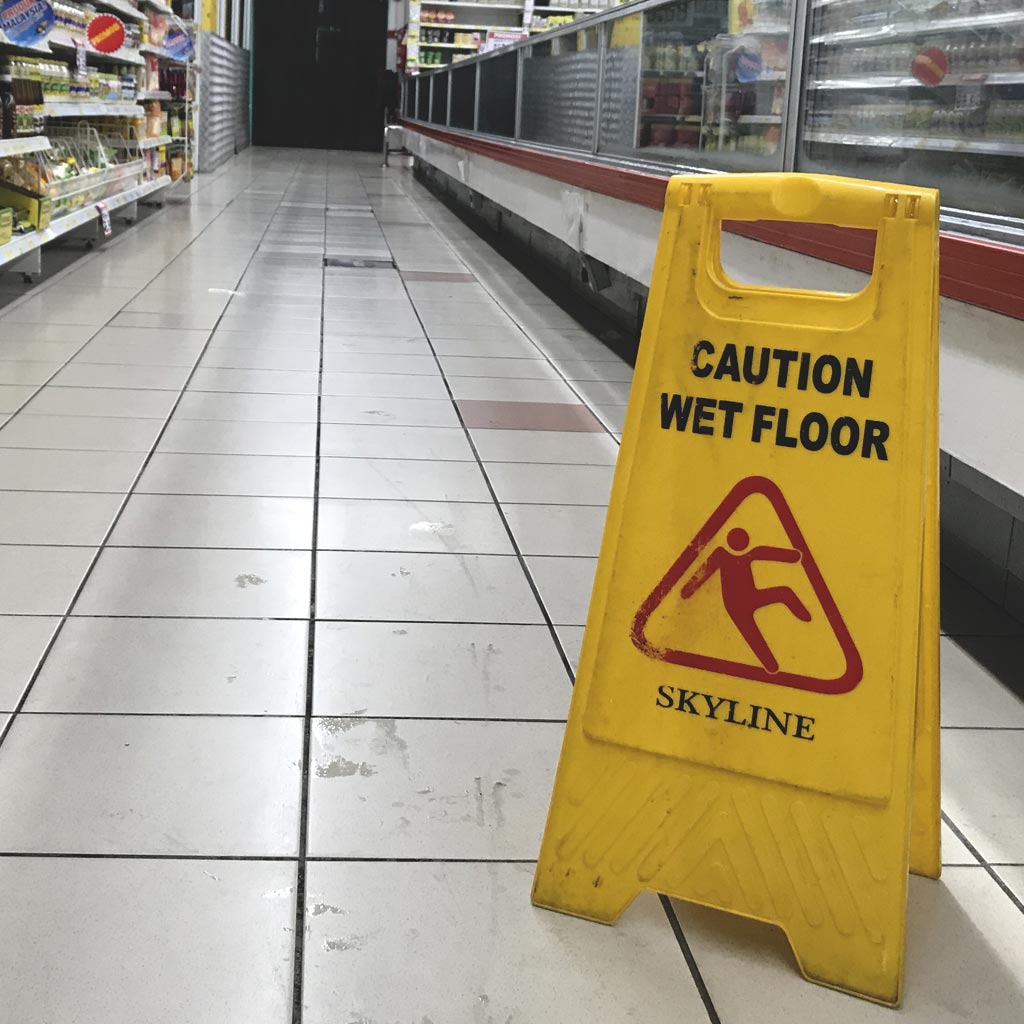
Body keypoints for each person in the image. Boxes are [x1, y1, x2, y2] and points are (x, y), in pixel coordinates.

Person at [680, 527, 811, 673]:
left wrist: (794, 556)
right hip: (736, 605)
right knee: (753, 634)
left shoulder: (748, 554)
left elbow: (773, 553)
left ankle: (806, 619)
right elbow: (702, 574)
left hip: (750, 597)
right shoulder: (721, 555)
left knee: (784, 592)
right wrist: (687, 591)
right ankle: (771, 666)